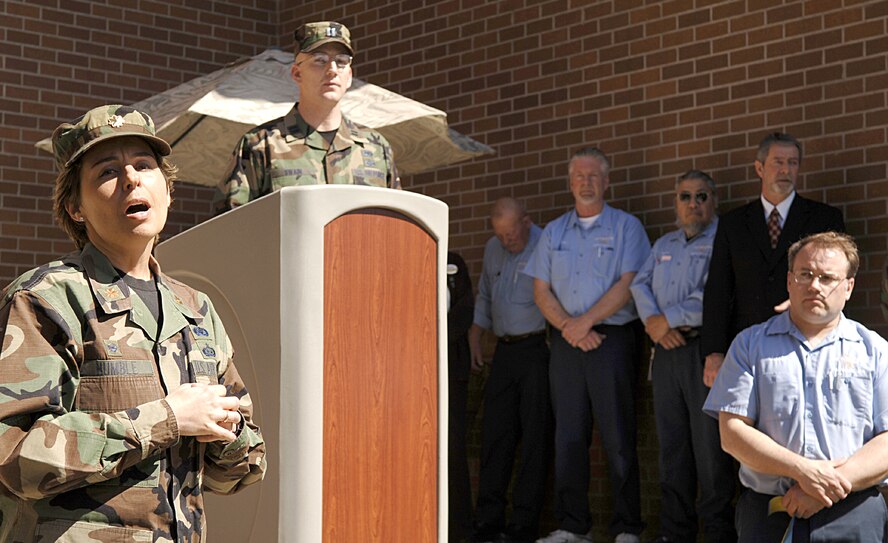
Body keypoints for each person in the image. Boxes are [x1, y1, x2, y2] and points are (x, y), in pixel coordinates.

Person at [0, 105, 267, 542]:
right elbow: (14, 457)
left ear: (168, 191)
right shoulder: (45, 299)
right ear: (75, 207)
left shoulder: (196, 309)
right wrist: (167, 418)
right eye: (107, 172)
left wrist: (227, 431)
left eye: (144, 166)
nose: (131, 179)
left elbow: (238, 474)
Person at [703, 232, 888, 541]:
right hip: (772, 511)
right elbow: (732, 433)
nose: (815, 285)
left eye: (828, 277)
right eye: (806, 274)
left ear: (849, 287)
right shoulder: (750, 345)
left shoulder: (876, 351)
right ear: (789, 281)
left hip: (854, 512)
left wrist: (825, 486)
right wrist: (803, 471)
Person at [525, 147, 650, 543]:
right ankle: (571, 526)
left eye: (594, 175)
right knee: (569, 436)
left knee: (618, 436)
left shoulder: (627, 227)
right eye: (579, 175)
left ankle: (628, 527)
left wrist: (585, 322)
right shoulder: (553, 232)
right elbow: (540, 289)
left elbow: (629, 283)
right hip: (566, 343)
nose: (586, 182)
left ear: (606, 181)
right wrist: (569, 326)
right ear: (570, 182)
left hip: (611, 340)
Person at [629, 170, 736, 543]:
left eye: (702, 196)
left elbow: (715, 296)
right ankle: (676, 533)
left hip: (702, 351)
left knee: (710, 450)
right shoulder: (663, 245)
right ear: (676, 203)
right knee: (672, 445)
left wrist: (665, 320)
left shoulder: (725, 239)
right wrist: (654, 325)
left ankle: (717, 533)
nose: (694, 204)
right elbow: (638, 284)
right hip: (665, 354)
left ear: (714, 201)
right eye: (686, 197)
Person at [701, 132, 844, 387]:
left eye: (792, 163)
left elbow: (839, 280)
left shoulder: (825, 219)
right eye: (778, 162)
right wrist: (714, 352)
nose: (785, 170)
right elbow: (718, 290)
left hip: (806, 340)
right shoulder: (733, 224)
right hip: (747, 346)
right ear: (759, 168)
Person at [216, 21, 400, 211]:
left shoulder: (376, 148)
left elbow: (398, 225)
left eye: (342, 62)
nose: (332, 70)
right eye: (319, 60)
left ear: (349, 76)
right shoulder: (261, 146)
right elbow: (230, 229)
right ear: (297, 73)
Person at [468, 197, 551, 543]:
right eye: (500, 235)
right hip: (503, 351)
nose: (506, 242)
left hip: (537, 350)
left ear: (527, 222)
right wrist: (475, 338)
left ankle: (523, 523)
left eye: (511, 235)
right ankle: (488, 520)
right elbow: (485, 295)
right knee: (495, 435)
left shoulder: (545, 243)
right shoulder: (492, 248)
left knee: (535, 438)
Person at [447, 251, 475, 543]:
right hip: (409, 371)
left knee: (454, 451)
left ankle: (460, 532)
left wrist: (434, 335)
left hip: (451, 371)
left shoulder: (453, 262)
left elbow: (465, 312)